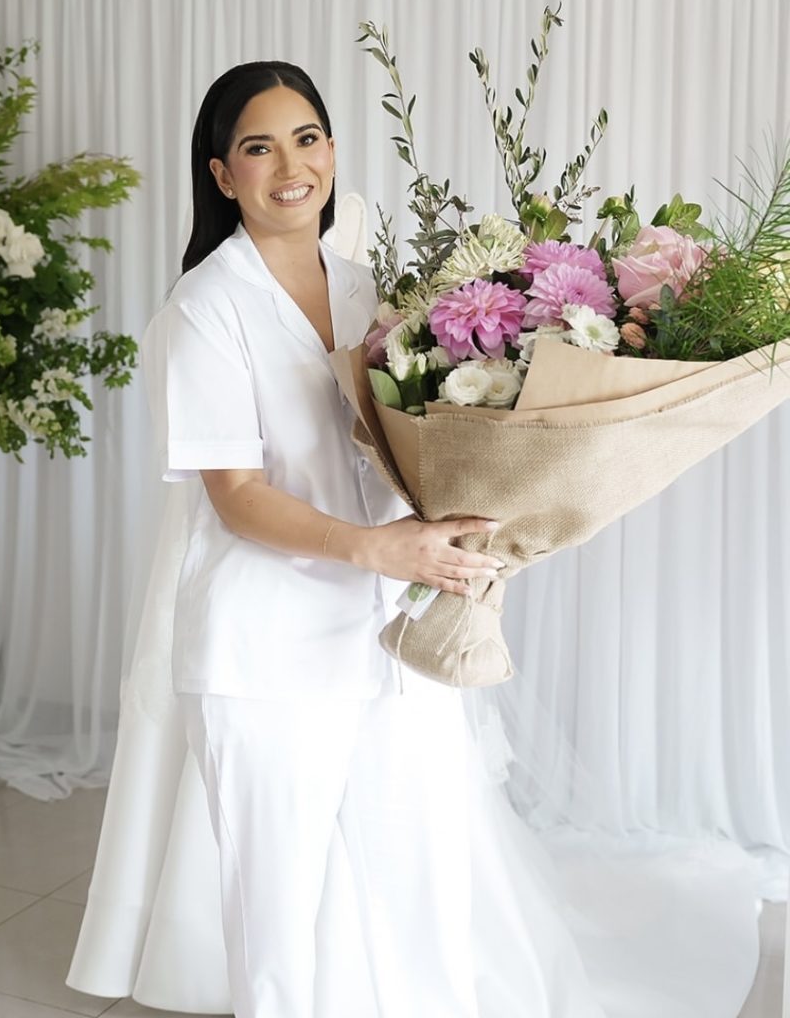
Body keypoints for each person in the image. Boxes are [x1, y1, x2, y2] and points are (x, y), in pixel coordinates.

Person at [68, 61, 762, 1018]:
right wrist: (379, 550)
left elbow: (413, 450)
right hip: (263, 651)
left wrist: (477, 524)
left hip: (394, 634)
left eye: (307, 139)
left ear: (334, 151)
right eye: (259, 148)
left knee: (420, 878)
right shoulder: (203, 310)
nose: (290, 166)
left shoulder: (370, 295)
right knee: (276, 908)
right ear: (223, 175)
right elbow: (234, 496)